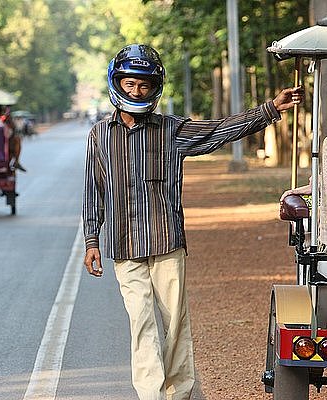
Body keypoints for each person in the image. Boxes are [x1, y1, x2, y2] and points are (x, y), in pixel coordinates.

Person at [82, 43, 303, 400]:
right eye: (129, 84)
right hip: (123, 245)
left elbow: (220, 130)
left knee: (174, 325)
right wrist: (92, 241)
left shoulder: (171, 130)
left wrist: (268, 110)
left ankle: (179, 394)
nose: (136, 91)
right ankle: (151, 395)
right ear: (116, 83)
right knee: (141, 323)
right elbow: (94, 190)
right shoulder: (100, 135)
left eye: (144, 85)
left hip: (167, 242)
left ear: (155, 88)